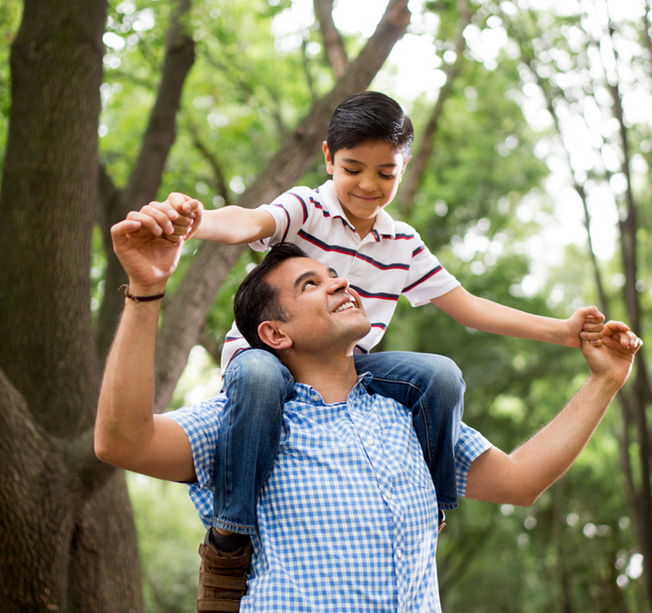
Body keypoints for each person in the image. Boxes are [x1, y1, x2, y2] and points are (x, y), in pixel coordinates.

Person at [134, 90, 606, 608]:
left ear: (403, 168)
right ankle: (231, 533)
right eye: (353, 168)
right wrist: (196, 222)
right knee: (263, 381)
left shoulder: (402, 244)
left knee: (441, 375)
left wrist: (562, 332)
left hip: (351, 366)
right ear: (328, 158)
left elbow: (468, 307)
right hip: (265, 359)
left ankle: (431, 504)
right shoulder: (308, 207)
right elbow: (249, 221)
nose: (367, 184)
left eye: (386, 173)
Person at [96, 224, 640, 612]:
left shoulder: (409, 414)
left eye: (334, 275)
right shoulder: (243, 419)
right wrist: (146, 288)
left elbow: (519, 482)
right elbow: (122, 441)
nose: (340, 283)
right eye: (310, 285)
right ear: (275, 334)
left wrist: (604, 381)